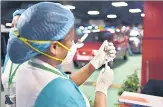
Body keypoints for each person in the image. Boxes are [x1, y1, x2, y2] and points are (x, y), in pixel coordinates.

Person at [7, 2, 116, 107]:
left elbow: (64, 81)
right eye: (71, 40)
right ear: (54, 47)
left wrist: (95, 62)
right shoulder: (66, 98)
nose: (73, 45)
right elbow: (61, 88)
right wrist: (101, 90)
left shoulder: (27, 67)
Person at [1, 9, 25, 107]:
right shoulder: (10, 52)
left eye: (18, 25)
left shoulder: (33, 54)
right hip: (10, 98)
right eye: (12, 26)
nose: (14, 29)